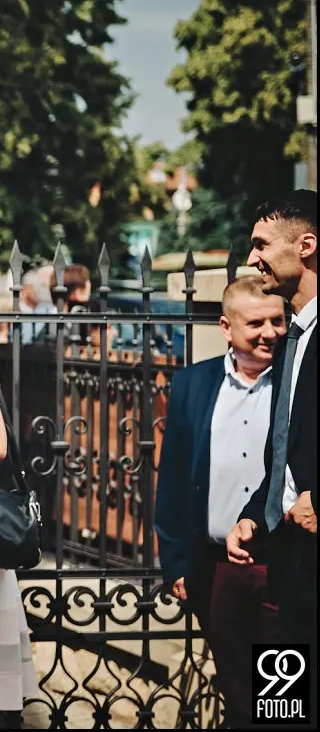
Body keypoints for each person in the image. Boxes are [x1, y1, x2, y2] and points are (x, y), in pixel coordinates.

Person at [154, 275, 285, 727]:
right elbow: (172, 476)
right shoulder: (193, 383)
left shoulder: (296, 382)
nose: (270, 332)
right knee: (238, 693)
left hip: (281, 567)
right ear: (227, 327)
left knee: (283, 701)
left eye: (277, 321)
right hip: (215, 570)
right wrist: (175, 562)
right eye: (256, 323)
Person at [227, 189, 318, 707]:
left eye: (262, 244)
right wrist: (253, 515)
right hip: (287, 560)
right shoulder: (292, 338)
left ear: (306, 245)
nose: (253, 257)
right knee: (282, 707)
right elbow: (287, 447)